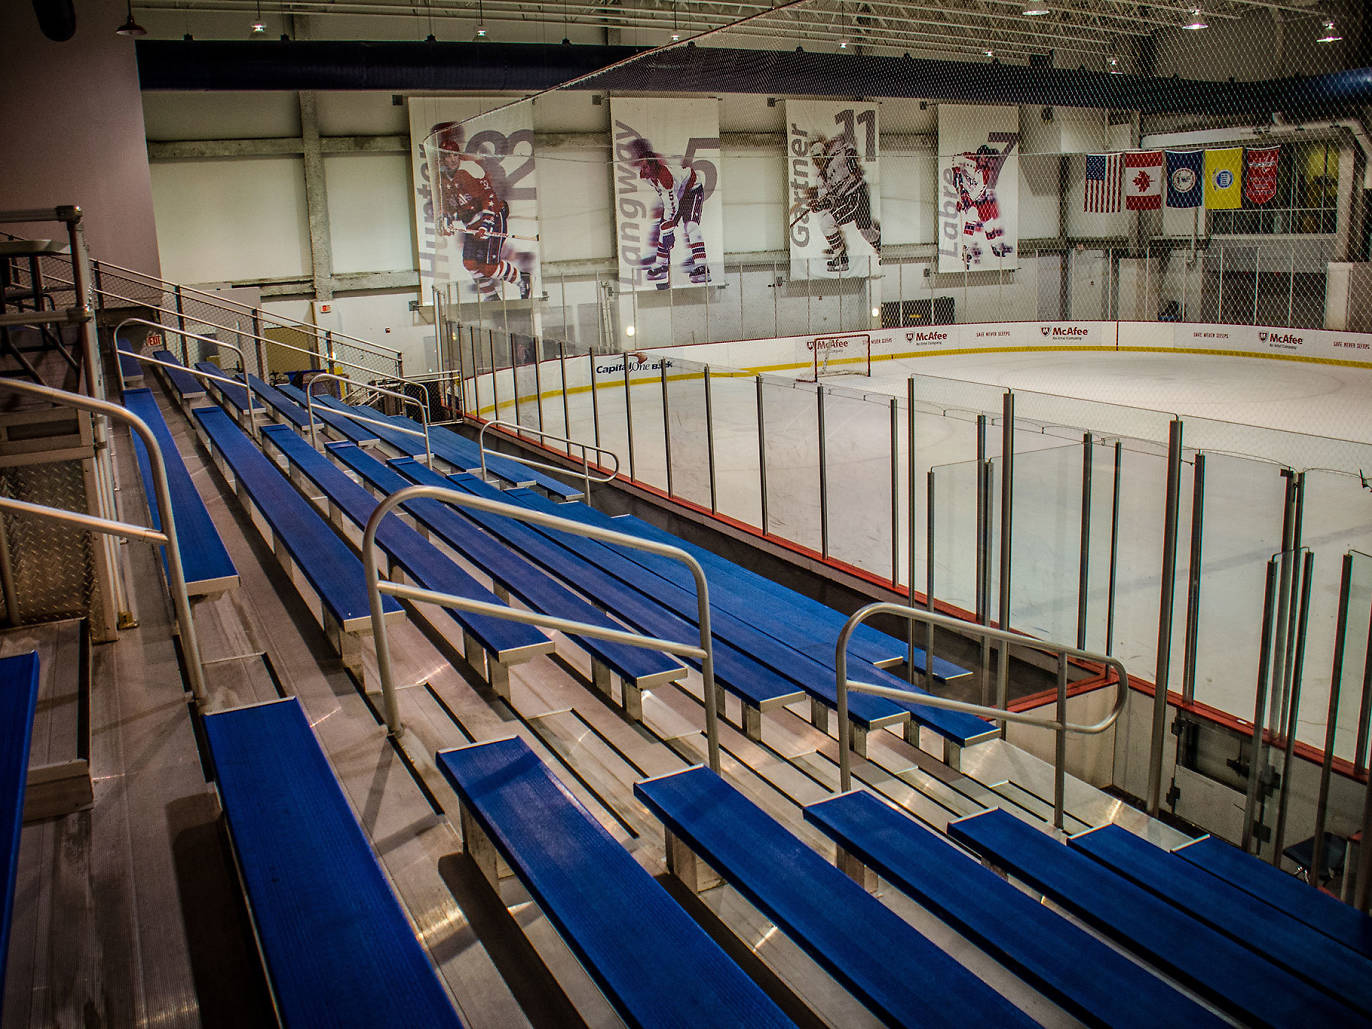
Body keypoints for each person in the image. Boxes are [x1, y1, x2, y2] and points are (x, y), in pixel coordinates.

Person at [431, 121, 532, 301]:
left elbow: (489, 198)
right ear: (443, 159)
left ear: (458, 156)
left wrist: (486, 223)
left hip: (492, 217)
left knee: (488, 267)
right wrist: (445, 219)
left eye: (454, 155)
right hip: (472, 223)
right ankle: (492, 297)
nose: (452, 159)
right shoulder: (443, 180)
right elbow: (450, 207)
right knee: (469, 264)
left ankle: (521, 279)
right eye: (447, 156)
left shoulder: (470, 169)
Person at [627, 136, 710, 287]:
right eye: (642, 167)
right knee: (663, 226)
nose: (642, 170)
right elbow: (669, 201)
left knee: (690, 225)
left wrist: (668, 230)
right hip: (676, 192)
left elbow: (671, 204)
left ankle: (701, 266)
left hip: (691, 190)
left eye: (645, 167)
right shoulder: (646, 173)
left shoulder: (663, 176)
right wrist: (667, 229)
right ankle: (661, 265)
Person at [804, 133, 881, 273]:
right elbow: (830, 201)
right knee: (866, 231)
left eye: (819, 157)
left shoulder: (837, 157)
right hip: (849, 200)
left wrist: (852, 164)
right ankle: (881, 246)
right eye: (815, 160)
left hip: (857, 195)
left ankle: (841, 256)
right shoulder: (822, 180)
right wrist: (819, 205)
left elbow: (849, 147)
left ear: (824, 153)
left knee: (827, 222)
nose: (817, 162)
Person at [951, 144, 1013, 266]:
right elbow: (956, 162)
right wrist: (956, 173)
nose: (985, 160)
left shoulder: (985, 172)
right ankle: (966, 249)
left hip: (979, 199)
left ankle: (994, 245)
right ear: (980, 155)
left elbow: (977, 192)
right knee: (971, 218)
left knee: (988, 223)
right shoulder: (970, 159)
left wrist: (964, 201)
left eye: (987, 158)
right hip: (969, 197)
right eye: (984, 157)